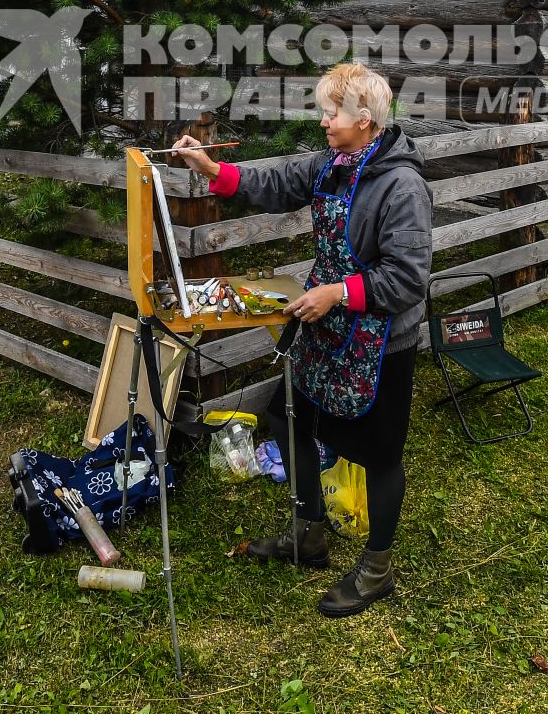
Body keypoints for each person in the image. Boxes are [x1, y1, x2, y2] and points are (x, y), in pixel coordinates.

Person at [171, 61, 433, 617]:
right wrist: (211, 168)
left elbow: (409, 278)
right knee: (286, 419)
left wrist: (336, 293)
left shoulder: (402, 185)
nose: (322, 121)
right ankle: (309, 533)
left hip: (380, 342)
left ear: (365, 119)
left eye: (331, 112)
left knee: (381, 456)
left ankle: (377, 568)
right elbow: (276, 182)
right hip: (327, 330)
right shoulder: (332, 166)